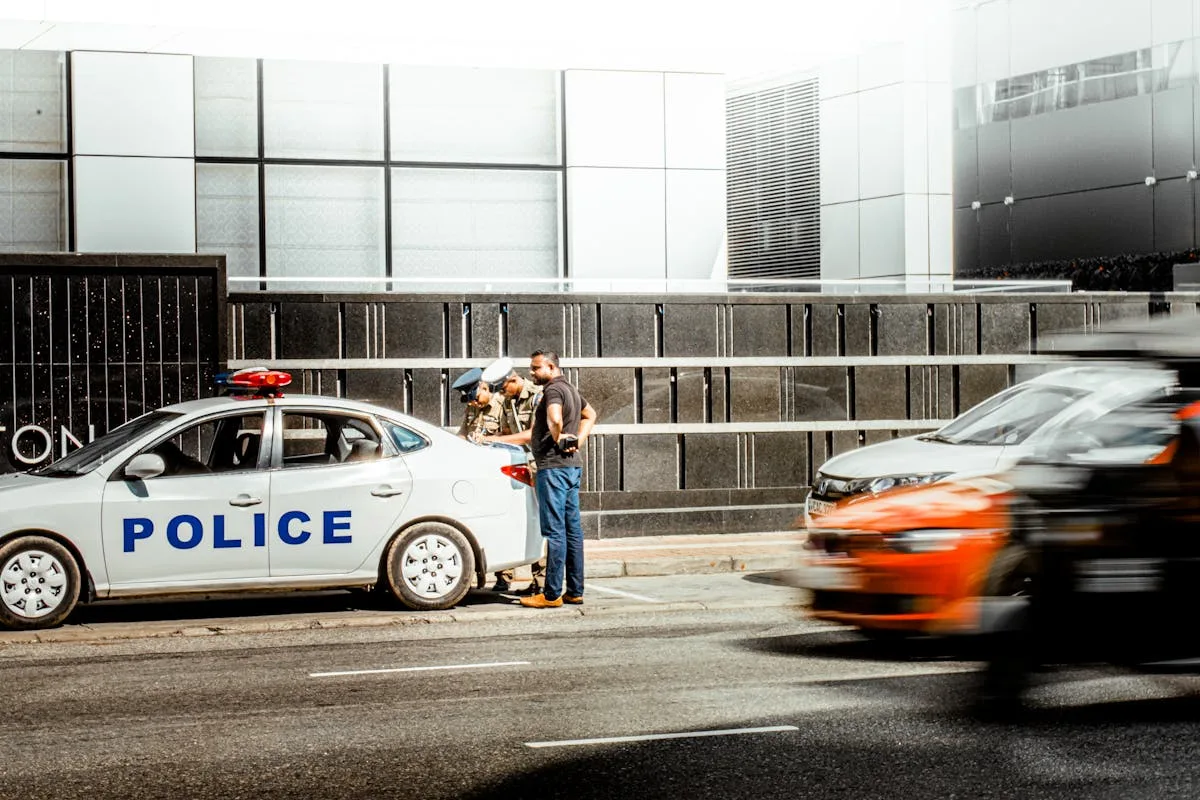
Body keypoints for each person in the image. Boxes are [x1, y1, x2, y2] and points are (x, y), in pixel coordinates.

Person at [518, 350, 597, 609]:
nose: (531, 372)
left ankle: (551, 594)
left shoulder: (553, 390)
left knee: (555, 531)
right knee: (572, 529)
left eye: (536, 368)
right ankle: (575, 591)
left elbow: (554, 417)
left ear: (551, 367)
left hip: (553, 468)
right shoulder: (571, 389)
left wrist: (559, 436)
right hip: (572, 467)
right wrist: (579, 440)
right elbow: (591, 414)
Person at [483, 363, 546, 595]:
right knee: (524, 522)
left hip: (538, 467)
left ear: (513, 379)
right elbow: (508, 432)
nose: (500, 392)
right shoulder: (510, 400)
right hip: (519, 469)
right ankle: (526, 580)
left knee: (541, 525)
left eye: (503, 387)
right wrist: (493, 438)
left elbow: (532, 434)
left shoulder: (537, 396)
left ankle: (541, 583)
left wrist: (499, 439)